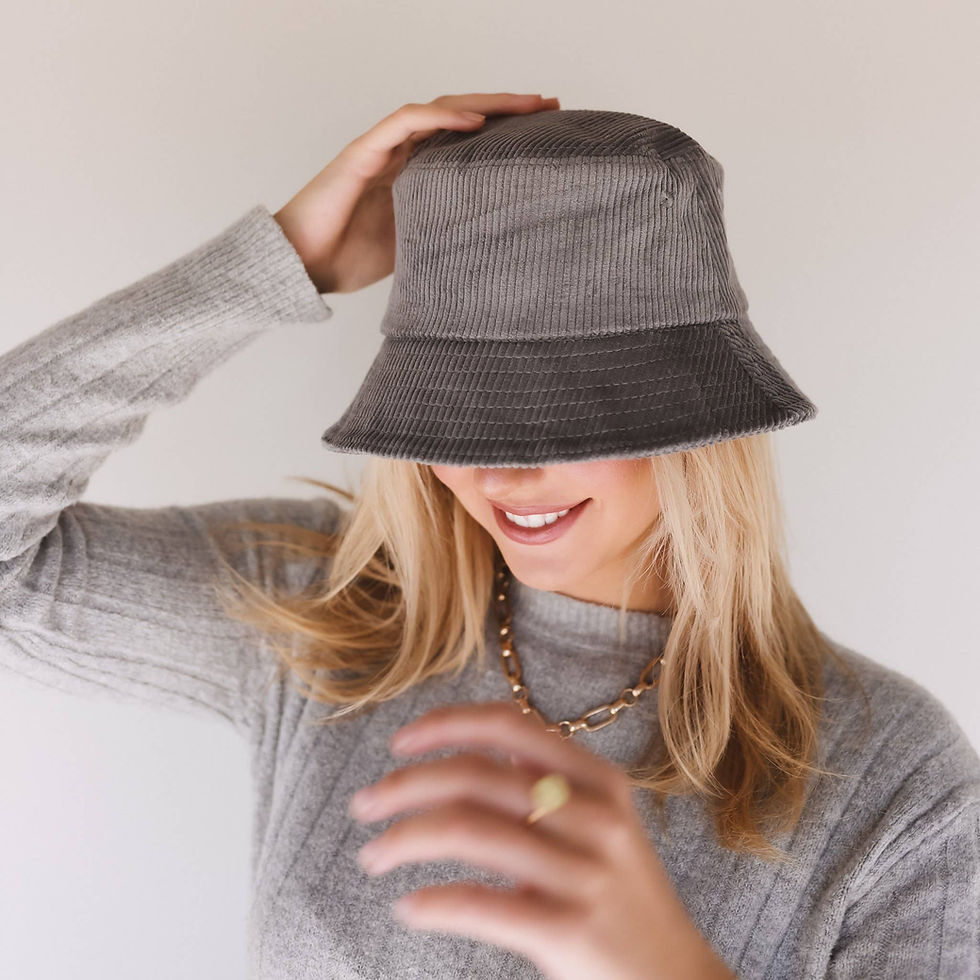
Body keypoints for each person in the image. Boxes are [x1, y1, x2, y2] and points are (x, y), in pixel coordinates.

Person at [1, 92, 977, 980]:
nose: (498, 469)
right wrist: (275, 263)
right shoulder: (332, 610)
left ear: (692, 416)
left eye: (563, 409)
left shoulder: (884, 775)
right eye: (455, 406)